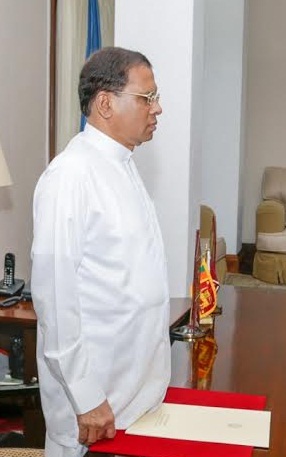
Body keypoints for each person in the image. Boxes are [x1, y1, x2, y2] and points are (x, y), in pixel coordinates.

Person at [31, 47, 169, 457]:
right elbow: (55, 300)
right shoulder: (70, 175)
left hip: (133, 394)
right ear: (106, 103)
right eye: (147, 98)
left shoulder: (122, 165)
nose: (157, 108)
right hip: (92, 408)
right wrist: (87, 396)